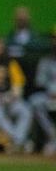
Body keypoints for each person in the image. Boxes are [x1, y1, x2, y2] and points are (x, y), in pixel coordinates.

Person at [29, 26, 56, 156]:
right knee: (34, 101)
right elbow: (40, 82)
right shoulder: (46, 60)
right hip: (49, 96)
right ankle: (52, 134)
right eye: (54, 38)